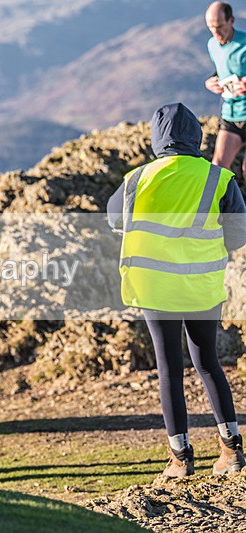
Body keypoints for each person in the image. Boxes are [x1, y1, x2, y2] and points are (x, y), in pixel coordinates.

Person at [107, 103, 246, 477]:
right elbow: (238, 235)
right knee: (208, 363)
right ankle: (231, 452)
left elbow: (114, 220)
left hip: (156, 288)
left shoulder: (136, 179)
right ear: (196, 137)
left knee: (169, 369)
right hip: (202, 286)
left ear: (157, 139)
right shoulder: (218, 178)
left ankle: (180, 459)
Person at [205, 2, 246, 172]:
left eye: (219, 26)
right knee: (218, 168)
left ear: (231, 21)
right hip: (231, 114)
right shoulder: (212, 45)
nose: (215, 32)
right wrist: (211, 82)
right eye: (211, 27)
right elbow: (222, 69)